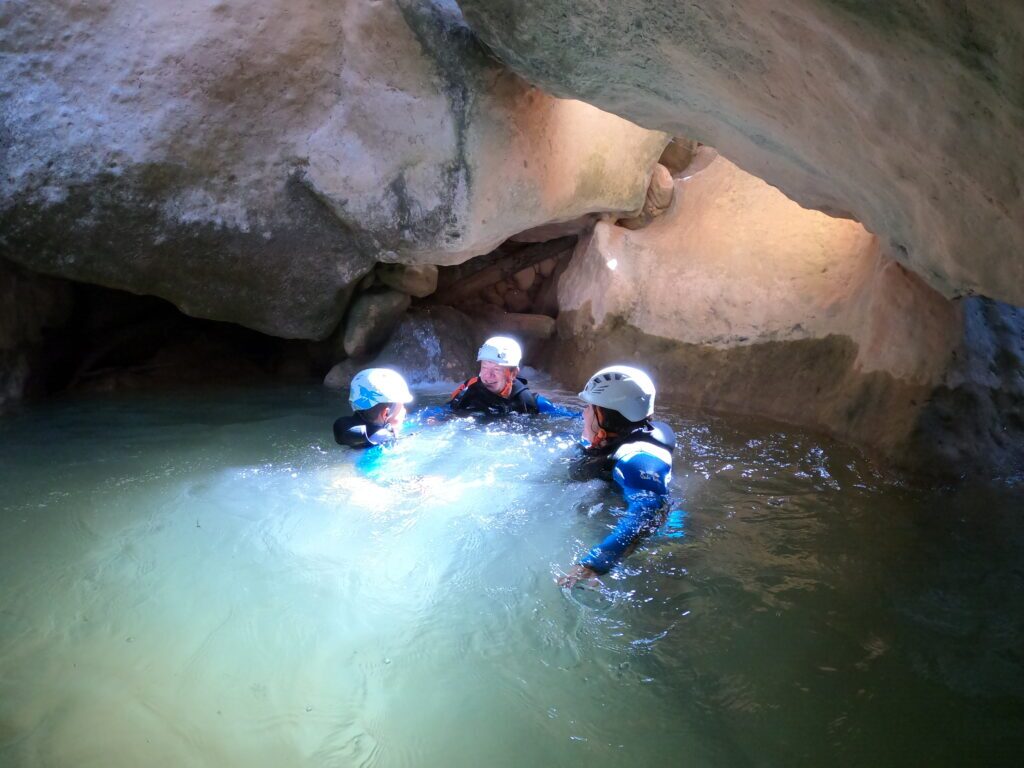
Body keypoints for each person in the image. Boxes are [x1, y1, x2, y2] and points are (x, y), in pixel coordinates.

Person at [557, 365, 676, 588]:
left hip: (659, 535)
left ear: (603, 416)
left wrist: (593, 564)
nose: (584, 413)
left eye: (589, 407)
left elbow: (647, 511)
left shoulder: (637, 459)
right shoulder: (625, 439)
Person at [441, 336, 577, 418]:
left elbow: (570, 417)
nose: (488, 376)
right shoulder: (467, 393)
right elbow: (440, 412)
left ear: (513, 374)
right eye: (484, 368)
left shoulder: (530, 402)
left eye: (496, 369)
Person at [333, 368, 414, 448]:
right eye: (402, 406)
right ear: (385, 414)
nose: (404, 410)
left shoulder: (355, 439)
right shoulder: (390, 445)